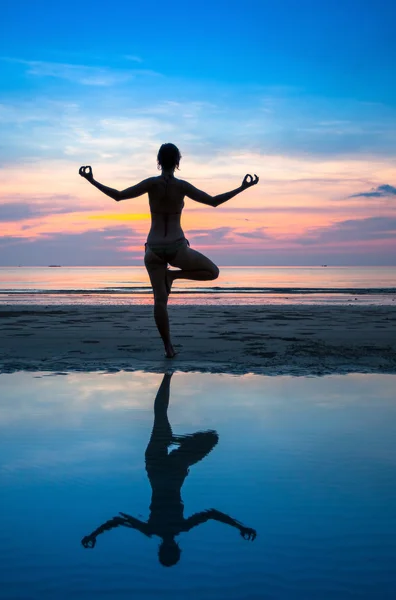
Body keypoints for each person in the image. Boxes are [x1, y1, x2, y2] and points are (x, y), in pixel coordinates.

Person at [79, 143, 259, 357]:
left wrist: (91, 180)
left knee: (160, 301)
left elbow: (118, 195)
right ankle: (173, 276)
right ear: (177, 162)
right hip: (176, 247)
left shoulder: (151, 184)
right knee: (213, 272)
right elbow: (213, 202)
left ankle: (168, 347)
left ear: (158, 161)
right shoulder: (182, 187)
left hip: (153, 249)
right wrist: (242, 188)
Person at [81, 372, 256, 567]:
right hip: (160, 468)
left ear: (175, 549)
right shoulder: (153, 529)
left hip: (173, 470)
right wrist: (94, 533)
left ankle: (173, 417)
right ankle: (168, 379)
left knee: (211, 437)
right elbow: (118, 520)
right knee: (166, 417)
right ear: (162, 549)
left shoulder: (179, 527)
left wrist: (239, 526)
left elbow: (212, 514)